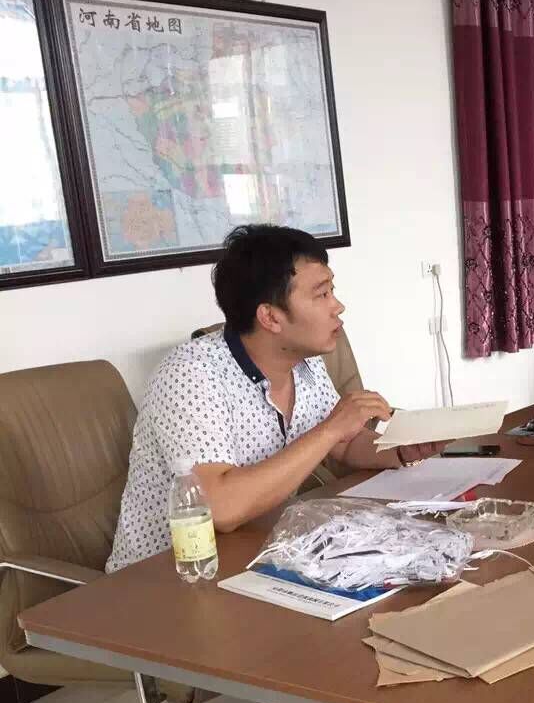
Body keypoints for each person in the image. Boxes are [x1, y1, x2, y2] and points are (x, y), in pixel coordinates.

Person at [106, 224, 447, 572]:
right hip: (167, 575)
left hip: (259, 553)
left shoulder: (304, 363)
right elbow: (220, 509)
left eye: (332, 291)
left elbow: (343, 446)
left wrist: (400, 449)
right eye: (322, 294)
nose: (338, 306)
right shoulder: (191, 374)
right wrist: (332, 428)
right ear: (270, 317)